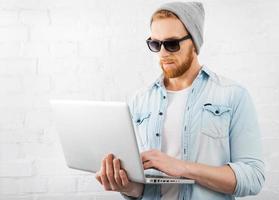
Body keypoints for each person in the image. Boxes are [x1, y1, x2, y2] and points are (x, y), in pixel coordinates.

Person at [95, 1, 265, 199]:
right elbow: (143, 187)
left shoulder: (232, 95)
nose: (163, 53)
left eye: (172, 44)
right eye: (155, 44)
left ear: (194, 42)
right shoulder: (139, 101)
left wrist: (183, 168)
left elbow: (253, 177)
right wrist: (125, 187)